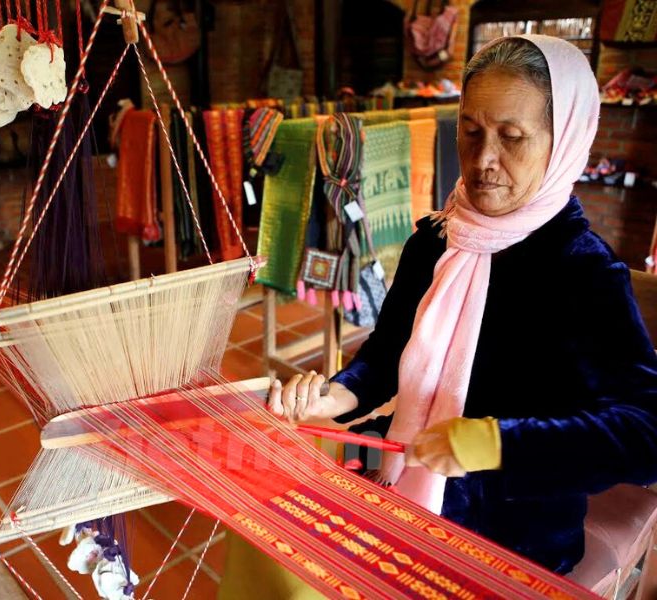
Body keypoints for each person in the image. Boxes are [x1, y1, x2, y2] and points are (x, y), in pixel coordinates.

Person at [263, 33, 657, 581]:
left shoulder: (582, 270)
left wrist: (495, 444)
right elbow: (386, 354)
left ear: (564, 139)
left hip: (517, 537)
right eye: (470, 131)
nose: (483, 160)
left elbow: (645, 433)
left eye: (512, 137)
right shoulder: (435, 240)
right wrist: (337, 396)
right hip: (408, 497)